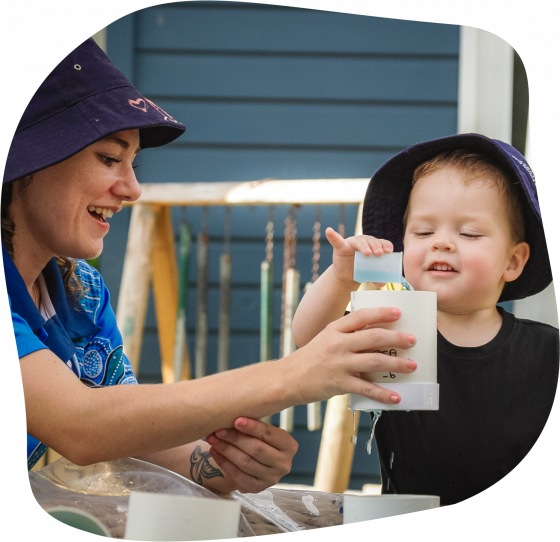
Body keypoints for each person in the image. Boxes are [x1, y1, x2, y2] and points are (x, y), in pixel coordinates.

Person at [7, 37, 417, 493]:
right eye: (109, 158)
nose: (133, 189)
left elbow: (125, 430)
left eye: (134, 164)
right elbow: (82, 425)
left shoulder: (81, 289)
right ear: (28, 158)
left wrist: (222, 464)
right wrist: (295, 375)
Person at [292, 134, 559, 505]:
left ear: (512, 261)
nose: (442, 242)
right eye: (423, 231)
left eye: (468, 233)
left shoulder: (548, 352)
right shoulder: (390, 326)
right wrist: (342, 277)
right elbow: (308, 338)